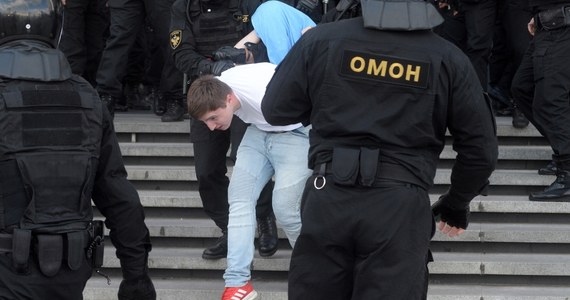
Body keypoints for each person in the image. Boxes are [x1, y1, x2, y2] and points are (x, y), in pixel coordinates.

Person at [261, 0, 498, 298]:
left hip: (329, 195)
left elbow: (275, 110)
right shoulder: (448, 57)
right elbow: (481, 151)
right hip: (400, 205)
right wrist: (456, 203)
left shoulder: (322, 40)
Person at [0, 1, 156, 299]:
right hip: (69, 274)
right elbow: (118, 195)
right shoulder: (87, 97)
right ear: (56, 29)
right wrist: (136, 274)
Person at [187, 62, 311, 300]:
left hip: (297, 133)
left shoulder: (266, 90)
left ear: (230, 99)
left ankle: (317, 273)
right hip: (259, 131)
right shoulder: (218, 84)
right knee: (239, 200)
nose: (212, 127)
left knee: (285, 208)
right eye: (206, 122)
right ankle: (237, 284)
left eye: (214, 117)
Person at [170, 0, 279, 260]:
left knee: (246, 159)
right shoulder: (183, 7)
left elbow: (267, 38)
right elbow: (180, 52)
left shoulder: (248, 3)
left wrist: (240, 57)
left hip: (242, 91)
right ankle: (230, 230)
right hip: (205, 94)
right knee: (206, 171)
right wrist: (209, 68)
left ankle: (264, 218)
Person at [511, 1, 570, 202]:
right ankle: (564, 149)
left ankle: (568, 173)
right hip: (547, 22)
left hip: (562, 28)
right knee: (522, 88)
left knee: (551, 100)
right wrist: (539, 15)